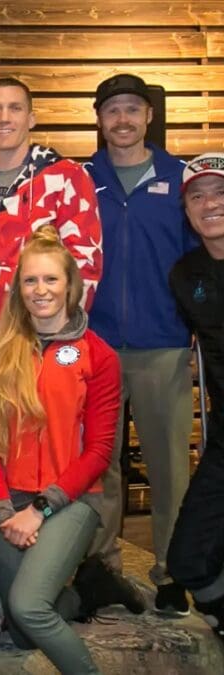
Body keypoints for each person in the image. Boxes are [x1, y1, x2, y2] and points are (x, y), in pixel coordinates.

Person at [0, 226, 119, 674]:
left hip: (70, 498)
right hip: (10, 499)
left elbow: (98, 452)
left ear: (71, 285)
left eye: (51, 280)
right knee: (21, 625)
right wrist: (2, 510)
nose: (41, 290)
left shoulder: (99, 356)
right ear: (18, 288)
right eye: (31, 281)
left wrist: (40, 509)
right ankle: (87, 591)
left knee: (30, 607)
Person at [85, 74, 198, 616]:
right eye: (113, 111)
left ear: (148, 116)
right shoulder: (83, 180)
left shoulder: (180, 179)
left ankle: (173, 570)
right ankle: (103, 567)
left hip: (164, 344)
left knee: (170, 465)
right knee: (99, 464)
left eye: (133, 109)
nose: (123, 119)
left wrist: (193, 311)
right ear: (100, 118)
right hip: (96, 346)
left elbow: (202, 253)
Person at [0, 78, 102, 377]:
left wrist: (59, 334)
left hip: (41, 338)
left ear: (31, 118)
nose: (4, 117)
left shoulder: (66, 176)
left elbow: (85, 264)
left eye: (15, 108)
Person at [168, 152, 224, 641]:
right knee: (187, 560)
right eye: (198, 196)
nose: (210, 204)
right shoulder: (187, 275)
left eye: (220, 192)